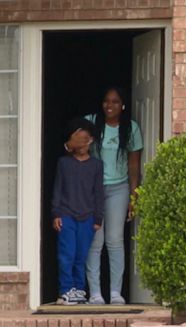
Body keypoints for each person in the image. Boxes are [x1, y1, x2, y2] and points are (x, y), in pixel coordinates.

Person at [64, 86, 143, 304]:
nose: (110, 105)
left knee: (115, 240)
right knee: (94, 241)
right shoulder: (91, 122)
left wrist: (134, 196)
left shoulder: (131, 128)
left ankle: (116, 293)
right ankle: (96, 294)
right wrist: (73, 143)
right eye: (107, 101)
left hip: (119, 188)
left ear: (123, 105)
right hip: (92, 190)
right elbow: (70, 146)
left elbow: (134, 165)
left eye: (115, 101)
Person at [52, 119, 103, 305]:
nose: (82, 143)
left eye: (86, 139)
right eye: (79, 139)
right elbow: (58, 189)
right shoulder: (64, 163)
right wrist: (56, 213)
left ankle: (79, 291)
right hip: (66, 214)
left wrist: (98, 218)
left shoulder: (96, 165)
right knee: (67, 254)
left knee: (81, 257)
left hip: (87, 217)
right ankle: (66, 290)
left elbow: (99, 193)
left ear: (91, 141)